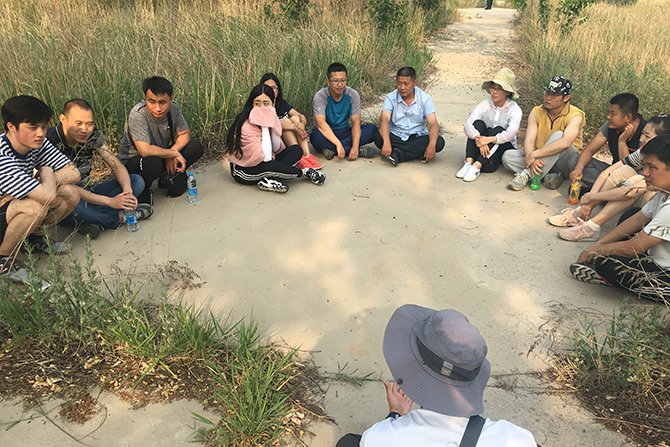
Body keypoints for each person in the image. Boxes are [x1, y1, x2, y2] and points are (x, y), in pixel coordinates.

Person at [336, 305, 538, 447]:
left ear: (414, 367)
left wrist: (395, 415)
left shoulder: (382, 438)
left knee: (348, 443)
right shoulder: (517, 440)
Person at [570, 135, 670, 303]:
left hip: (665, 273)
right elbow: (637, 220)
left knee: (608, 264)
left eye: (652, 167)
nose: (645, 173)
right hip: (653, 255)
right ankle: (614, 276)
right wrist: (599, 245)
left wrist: (597, 251)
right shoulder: (663, 191)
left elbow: (634, 247)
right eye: (644, 165)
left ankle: (660, 290)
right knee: (629, 216)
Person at [550, 115, 670, 241]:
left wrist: (593, 197)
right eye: (642, 134)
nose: (641, 139)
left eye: (647, 136)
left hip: (656, 205)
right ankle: (579, 214)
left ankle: (592, 227)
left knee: (634, 183)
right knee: (625, 170)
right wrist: (589, 199)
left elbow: (630, 192)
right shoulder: (644, 152)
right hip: (639, 193)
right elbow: (608, 171)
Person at [0, 95, 81, 276]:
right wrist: (46, 173)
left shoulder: (38, 143)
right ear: (11, 127)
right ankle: (3, 259)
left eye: (44, 126)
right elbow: (48, 197)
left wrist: (45, 174)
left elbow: (73, 173)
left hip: (9, 209)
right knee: (35, 206)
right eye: (32, 127)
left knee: (70, 193)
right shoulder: (2, 155)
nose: (40, 133)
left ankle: (35, 240)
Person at [47, 99, 148, 239]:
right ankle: (118, 218)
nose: (84, 129)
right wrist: (109, 202)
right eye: (78, 123)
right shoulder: (49, 141)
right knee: (74, 205)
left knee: (136, 181)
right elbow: (63, 188)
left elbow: (116, 165)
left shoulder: (91, 135)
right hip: (67, 198)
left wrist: (127, 192)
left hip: (89, 191)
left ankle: (92, 220)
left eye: (89, 124)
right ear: (63, 119)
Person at [118, 76, 204, 204]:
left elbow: (184, 134)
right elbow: (144, 150)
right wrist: (171, 154)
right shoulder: (138, 113)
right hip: (134, 162)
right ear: (145, 98)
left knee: (195, 147)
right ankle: (142, 190)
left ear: (171, 99)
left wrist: (173, 152)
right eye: (151, 101)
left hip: (158, 155)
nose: (157, 108)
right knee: (152, 163)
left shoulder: (173, 108)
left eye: (163, 102)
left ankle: (166, 177)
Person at [226, 84, 326, 193]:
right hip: (244, 170)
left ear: (273, 103)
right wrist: (265, 126)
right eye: (257, 104)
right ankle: (304, 173)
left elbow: (276, 148)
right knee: (271, 166)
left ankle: (270, 180)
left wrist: (271, 123)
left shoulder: (271, 116)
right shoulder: (245, 125)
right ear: (252, 104)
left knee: (296, 150)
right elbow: (265, 158)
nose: (262, 108)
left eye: (266, 103)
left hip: (267, 160)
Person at [502, 76, 585, 191]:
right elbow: (529, 140)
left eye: (554, 95)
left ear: (566, 98)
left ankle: (526, 175)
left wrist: (534, 155)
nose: (548, 98)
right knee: (508, 156)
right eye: (547, 93)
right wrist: (532, 158)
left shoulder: (575, 115)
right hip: (542, 157)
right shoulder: (537, 111)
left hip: (566, 160)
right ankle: (549, 176)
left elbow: (565, 143)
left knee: (559, 135)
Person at [567, 93, 645, 190]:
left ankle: (604, 189)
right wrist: (579, 169)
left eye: (613, 114)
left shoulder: (645, 133)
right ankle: (606, 188)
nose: (608, 117)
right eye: (608, 113)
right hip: (613, 172)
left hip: (633, 178)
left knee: (631, 182)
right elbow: (590, 150)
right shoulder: (610, 125)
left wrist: (622, 142)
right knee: (575, 160)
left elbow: (629, 168)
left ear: (628, 117)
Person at [457, 68, 522, 182]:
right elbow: (468, 124)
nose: (494, 92)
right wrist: (479, 139)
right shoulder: (486, 104)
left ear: (508, 92)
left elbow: (511, 133)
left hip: (503, 147)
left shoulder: (514, 109)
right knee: (477, 124)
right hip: (484, 145)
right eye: (493, 88)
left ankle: (477, 166)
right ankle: (468, 162)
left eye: (499, 89)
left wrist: (489, 139)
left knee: (498, 129)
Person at [373, 66, 445, 167]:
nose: (402, 87)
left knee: (438, 142)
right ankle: (415, 152)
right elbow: (384, 120)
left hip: (417, 137)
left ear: (415, 83)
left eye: (406, 84)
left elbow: (433, 124)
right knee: (378, 137)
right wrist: (386, 141)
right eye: (399, 83)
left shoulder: (425, 98)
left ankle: (398, 154)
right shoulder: (390, 97)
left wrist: (432, 144)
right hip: (396, 136)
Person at [309, 62, 378, 161]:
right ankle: (351, 150)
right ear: (328, 81)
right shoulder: (320, 96)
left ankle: (332, 150)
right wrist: (338, 144)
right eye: (335, 81)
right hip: (327, 132)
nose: (340, 84)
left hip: (345, 131)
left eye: (343, 80)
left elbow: (356, 123)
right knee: (315, 137)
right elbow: (321, 124)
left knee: (372, 130)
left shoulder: (352, 94)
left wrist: (355, 146)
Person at [260, 73, 322, 170]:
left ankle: (306, 156)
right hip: (275, 141)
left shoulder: (282, 103)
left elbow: (300, 115)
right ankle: (298, 158)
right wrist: (296, 128)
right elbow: (274, 123)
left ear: (278, 90)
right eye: (267, 87)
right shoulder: (262, 105)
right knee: (285, 122)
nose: (271, 90)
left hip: (288, 137)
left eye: (273, 87)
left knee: (295, 118)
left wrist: (301, 124)